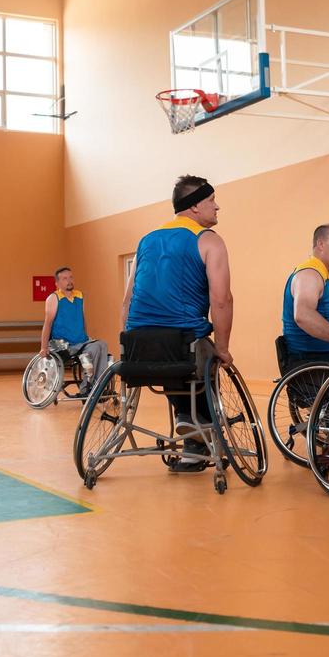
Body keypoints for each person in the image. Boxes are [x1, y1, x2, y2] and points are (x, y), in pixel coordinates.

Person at [121, 174, 232, 472]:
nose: (217, 206)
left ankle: (187, 422)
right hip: (183, 343)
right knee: (203, 353)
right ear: (195, 207)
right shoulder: (208, 240)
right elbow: (221, 300)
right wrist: (223, 348)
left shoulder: (145, 241)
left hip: (138, 346)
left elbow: (127, 300)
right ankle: (198, 426)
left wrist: (126, 343)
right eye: (211, 200)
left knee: (170, 353)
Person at [283, 224, 329, 366]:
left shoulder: (324, 275)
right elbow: (303, 315)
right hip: (313, 360)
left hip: (328, 356)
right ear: (321, 244)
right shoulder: (310, 274)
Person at [38, 265, 110, 390]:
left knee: (102, 345)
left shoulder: (80, 296)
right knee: (87, 354)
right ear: (57, 283)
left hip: (81, 341)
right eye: (65, 278)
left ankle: (99, 385)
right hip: (63, 344)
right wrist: (43, 348)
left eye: (71, 277)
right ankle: (86, 387)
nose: (69, 280)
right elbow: (47, 324)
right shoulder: (54, 298)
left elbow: (82, 319)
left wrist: (87, 337)